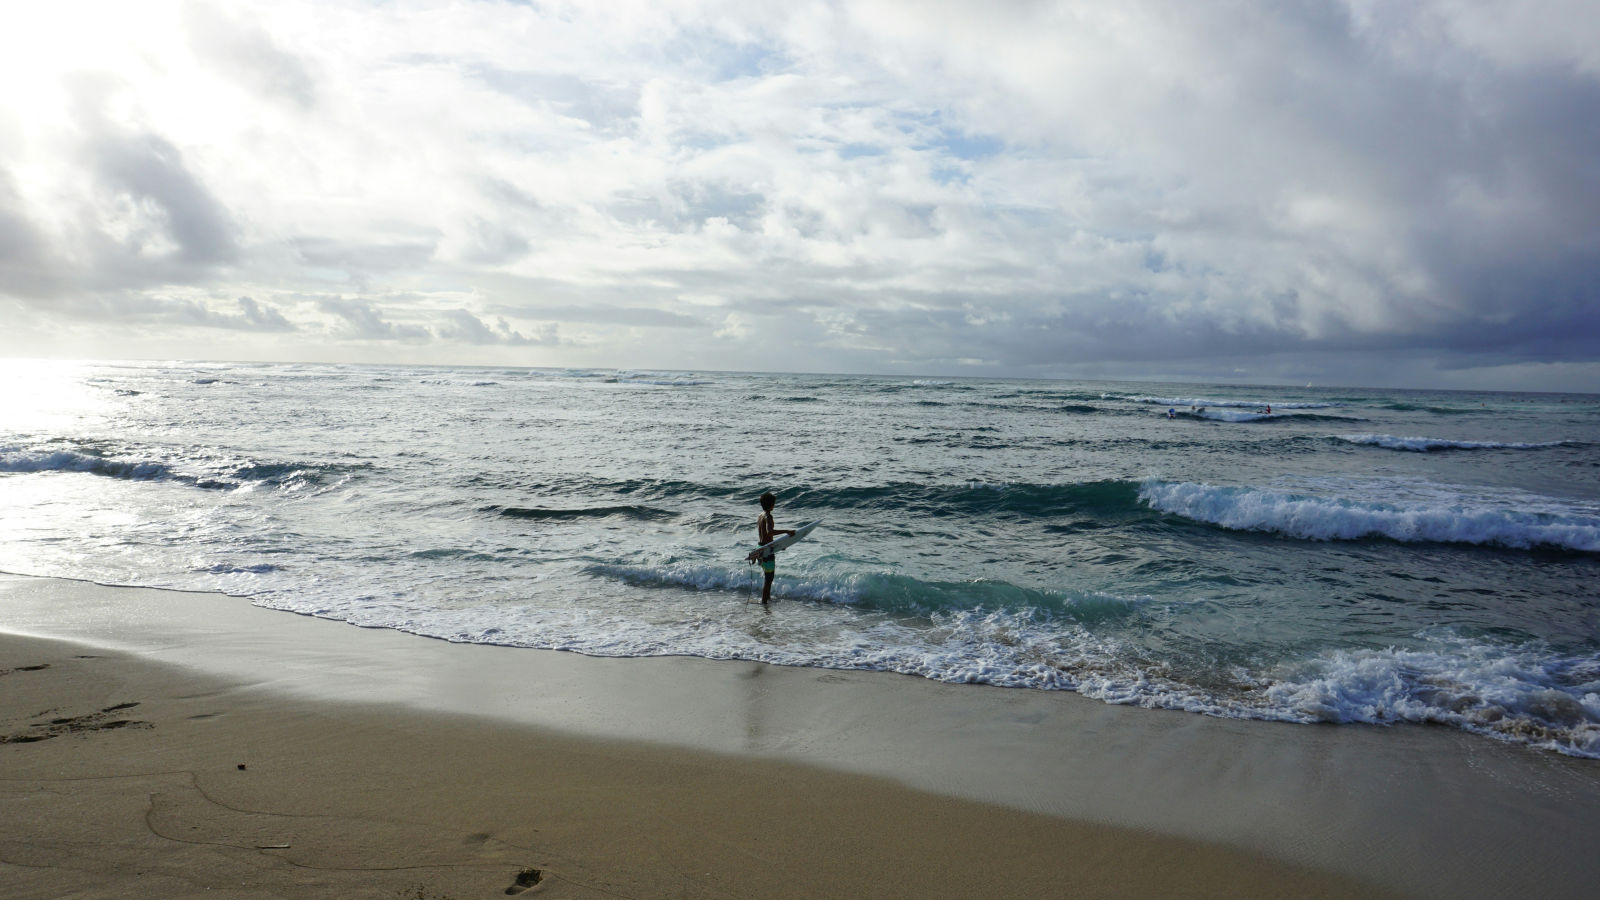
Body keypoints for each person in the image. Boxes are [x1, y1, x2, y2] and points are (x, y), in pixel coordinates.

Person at [746, 492, 795, 604]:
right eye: (774, 503)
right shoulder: (768, 516)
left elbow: (765, 536)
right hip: (767, 551)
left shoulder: (760, 516)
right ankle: (764, 602)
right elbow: (770, 532)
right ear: (771, 504)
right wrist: (787, 531)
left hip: (761, 547)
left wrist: (778, 546)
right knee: (769, 579)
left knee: (768, 577)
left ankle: (767, 599)